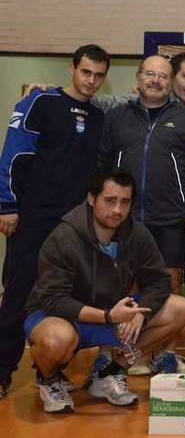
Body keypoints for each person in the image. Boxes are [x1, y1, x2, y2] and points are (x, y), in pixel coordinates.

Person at [23, 168, 185, 413]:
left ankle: (110, 373)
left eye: (125, 202)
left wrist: (140, 314)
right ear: (92, 199)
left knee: (181, 308)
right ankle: (48, 378)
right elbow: (54, 299)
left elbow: (158, 281)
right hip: (60, 315)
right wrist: (107, 317)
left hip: (111, 311)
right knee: (56, 340)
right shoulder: (64, 237)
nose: (117, 210)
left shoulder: (136, 233)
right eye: (110, 201)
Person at [0, 44, 110, 397]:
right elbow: (15, 153)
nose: (91, 80)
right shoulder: (39, 102)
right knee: (18, 293)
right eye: (86, 72)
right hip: (31, 218)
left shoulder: (98, 117)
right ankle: (3, 372)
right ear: (72, 68)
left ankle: (49, 372)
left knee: (64, 297)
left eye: (98, 75)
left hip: (74, 226)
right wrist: (7, 205)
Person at [97, 55, 185, 372]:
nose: (155, 80)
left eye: (162, 76)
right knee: (124, 286)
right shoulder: (118, 117)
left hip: (169, 218)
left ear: (170, 81)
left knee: (170, 286)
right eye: (150, 74)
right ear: (138, 78)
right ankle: (118, 353)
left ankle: (164, 355)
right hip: (123, 218)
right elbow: (102, 165)